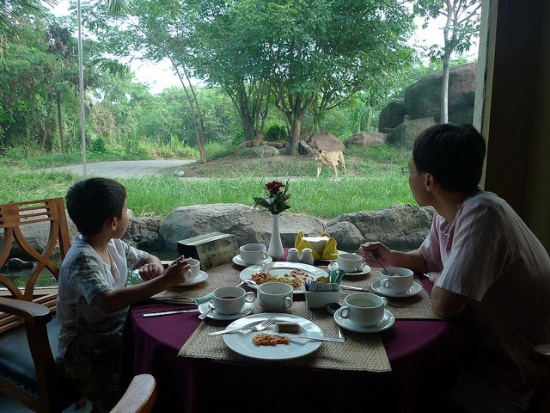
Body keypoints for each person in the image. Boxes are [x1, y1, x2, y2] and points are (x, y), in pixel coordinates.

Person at [360, 123, 550, 412]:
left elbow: (446, 305)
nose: (408, 178)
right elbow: (428, 259)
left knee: (399, 391)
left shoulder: (484, 215)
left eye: (409, 172)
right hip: (481, 352)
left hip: (518, 374)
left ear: (428, 181)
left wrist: (438, 277)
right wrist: (389, 257)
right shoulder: (452, 211)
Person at [56, 177, 191, 412]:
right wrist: (165, 280)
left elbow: (146, 257)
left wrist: (154, 264)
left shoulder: (112, 244)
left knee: (168, 361)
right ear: (113, 222)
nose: (130, 213)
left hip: (118, 333)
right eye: (126, 209)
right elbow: (107, 301)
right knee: (142, 394)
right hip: (87, 351)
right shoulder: (82, 259)